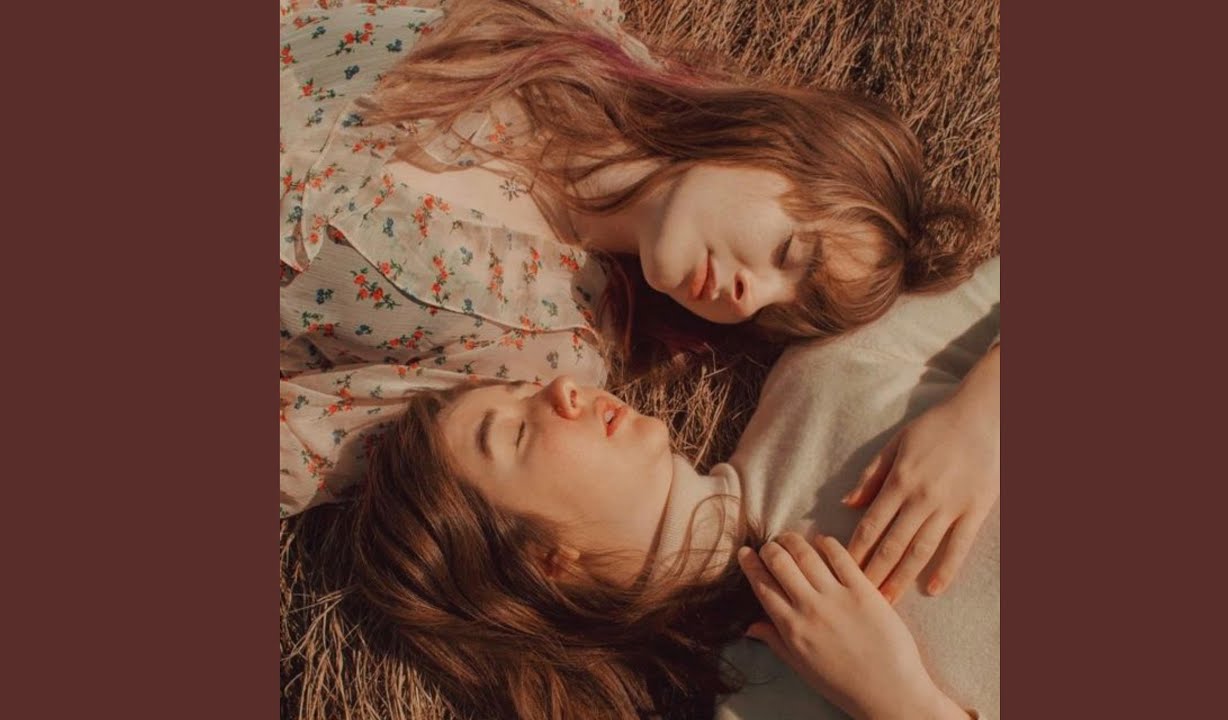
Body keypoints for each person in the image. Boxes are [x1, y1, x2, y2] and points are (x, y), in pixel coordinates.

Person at [278, 0, 984, 515]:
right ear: (773, 141)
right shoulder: (561, 27)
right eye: (788, 251)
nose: (750, 296)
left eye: (776, 310)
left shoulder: (542, 352)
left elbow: (301, 447)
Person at [349, 258, 1000, 718]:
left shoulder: (818, 379)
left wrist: (984, 415)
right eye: (516, 433)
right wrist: (900, 703)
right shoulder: (762, 704)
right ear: (546, 562)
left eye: (526, 388)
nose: (561, 389)